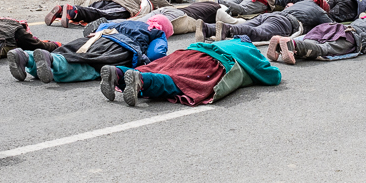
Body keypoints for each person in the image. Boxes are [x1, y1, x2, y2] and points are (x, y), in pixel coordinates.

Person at [100, 38, 282, 106]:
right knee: (181, 81)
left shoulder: (220, 42)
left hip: (187, 52)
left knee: (159, 66)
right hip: (211, 63)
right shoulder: (250, 50)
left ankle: (117, 73)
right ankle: (143, 80)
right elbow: (271, 76)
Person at [8, 16, 169, 84]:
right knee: (85, 65)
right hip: (120, 47)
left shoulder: (128, 22)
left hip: (97, 37)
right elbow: (156, 54)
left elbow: (103, 25)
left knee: (68, 51)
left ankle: (25, 57)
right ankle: (51, 60)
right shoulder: (157, 33)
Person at [265, 17, 366, 64]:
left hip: (335, 27)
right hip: (350, 36)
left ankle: (279, 44)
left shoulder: (361, 20)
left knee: (314, 40)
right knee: (325, 49)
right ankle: (293, 44)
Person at [197, 0, 332, 42]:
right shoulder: (320, 12)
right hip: (285, 22)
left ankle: (206, 28)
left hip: (270, 15)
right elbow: (333, 27)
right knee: (258, 33)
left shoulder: (301, 2)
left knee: (249, 24)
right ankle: (228, 29)